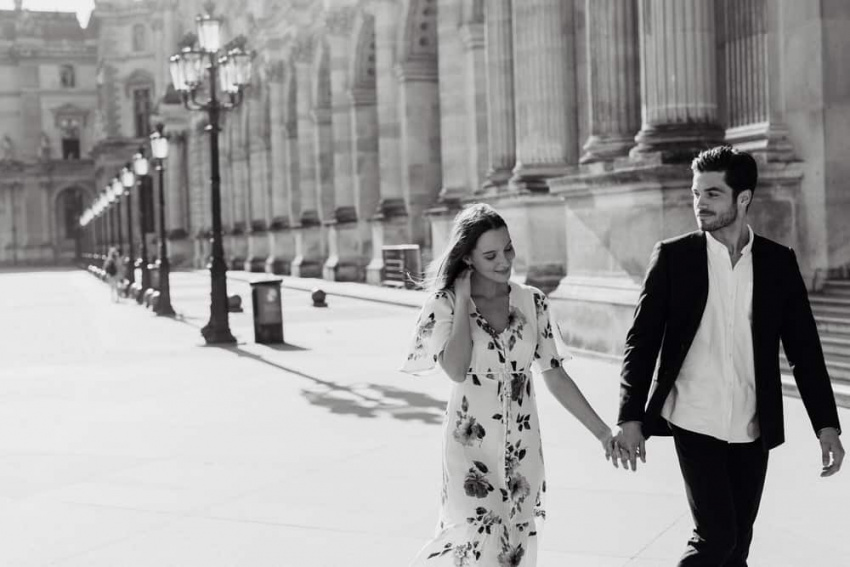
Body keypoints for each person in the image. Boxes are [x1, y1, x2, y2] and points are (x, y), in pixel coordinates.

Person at [614, 145, 844, 566]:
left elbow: (804, 350)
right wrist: (629, 416)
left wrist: (826, 424)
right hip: (693, 417)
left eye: (712, 194)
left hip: (752, 424)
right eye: (696, 192)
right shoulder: (673, 258)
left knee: (738, 546)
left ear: (743, 198)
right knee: (715, 538)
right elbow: (641, 341)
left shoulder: (778, 262)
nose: (699, 203)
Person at [401, 203, 618, 567]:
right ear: (467, 258)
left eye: (508, 249)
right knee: (474, 544)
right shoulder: (445, 303)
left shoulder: (532, 301)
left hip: (522, 448)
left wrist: (601, 432)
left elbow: (555, 373)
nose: (504, 261)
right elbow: (455, 370)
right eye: (490, 255)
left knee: (514, 549)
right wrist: (465, 301)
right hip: (469, 449)